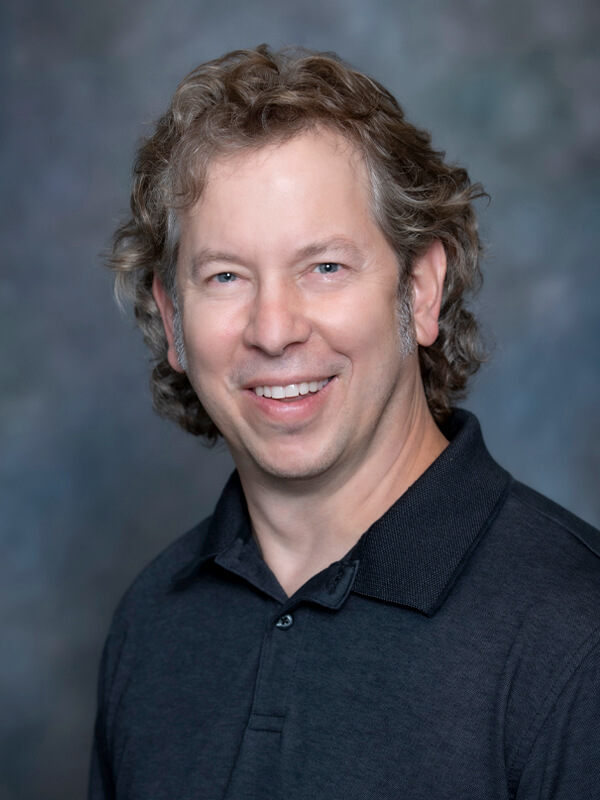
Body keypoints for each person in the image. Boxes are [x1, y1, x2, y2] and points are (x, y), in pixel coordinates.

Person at [89, 45, 600, 800]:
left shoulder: (575, 635)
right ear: (173, 319)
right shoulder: (153, 623)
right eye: (225, 276)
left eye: (324, 267)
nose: (273, 329)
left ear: (421, 291)